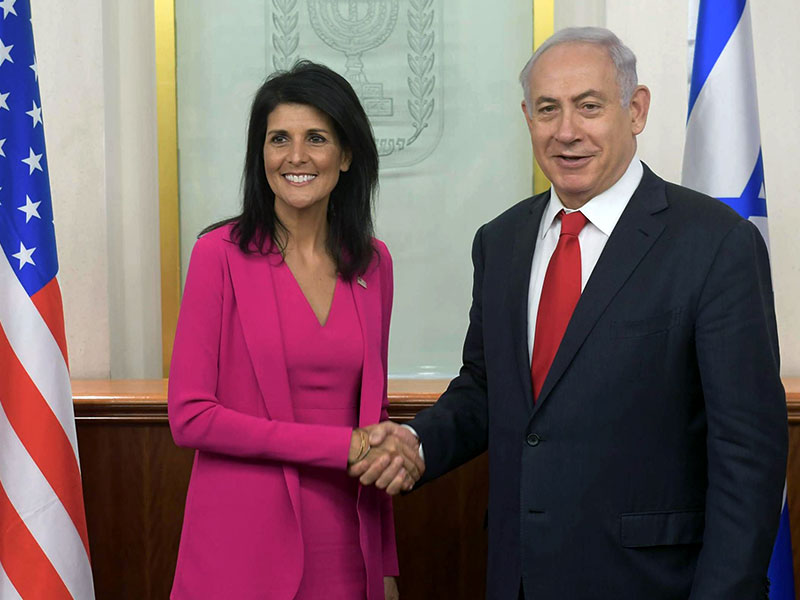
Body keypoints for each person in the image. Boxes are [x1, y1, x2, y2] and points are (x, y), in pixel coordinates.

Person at [350, 27, 788, 599]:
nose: (566, 131)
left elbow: (748, 450)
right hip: (520, 576)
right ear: (527, 117)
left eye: (589, 106)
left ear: (636, 110)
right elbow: (486, 388)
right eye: (547, 109)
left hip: (655, 584)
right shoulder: (501, 241)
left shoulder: (714, 243)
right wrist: (417, 443)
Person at [168, 61, 422, 600]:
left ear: (347, 154)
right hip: (242, 545)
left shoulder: (373, 264)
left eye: (317, 138)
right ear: (260, 155)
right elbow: (190, 417)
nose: (296, 157)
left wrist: (385, 564)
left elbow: (371, 426)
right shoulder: (218, 256)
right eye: (278, 139)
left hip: (348, 547)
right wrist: (340, 445)